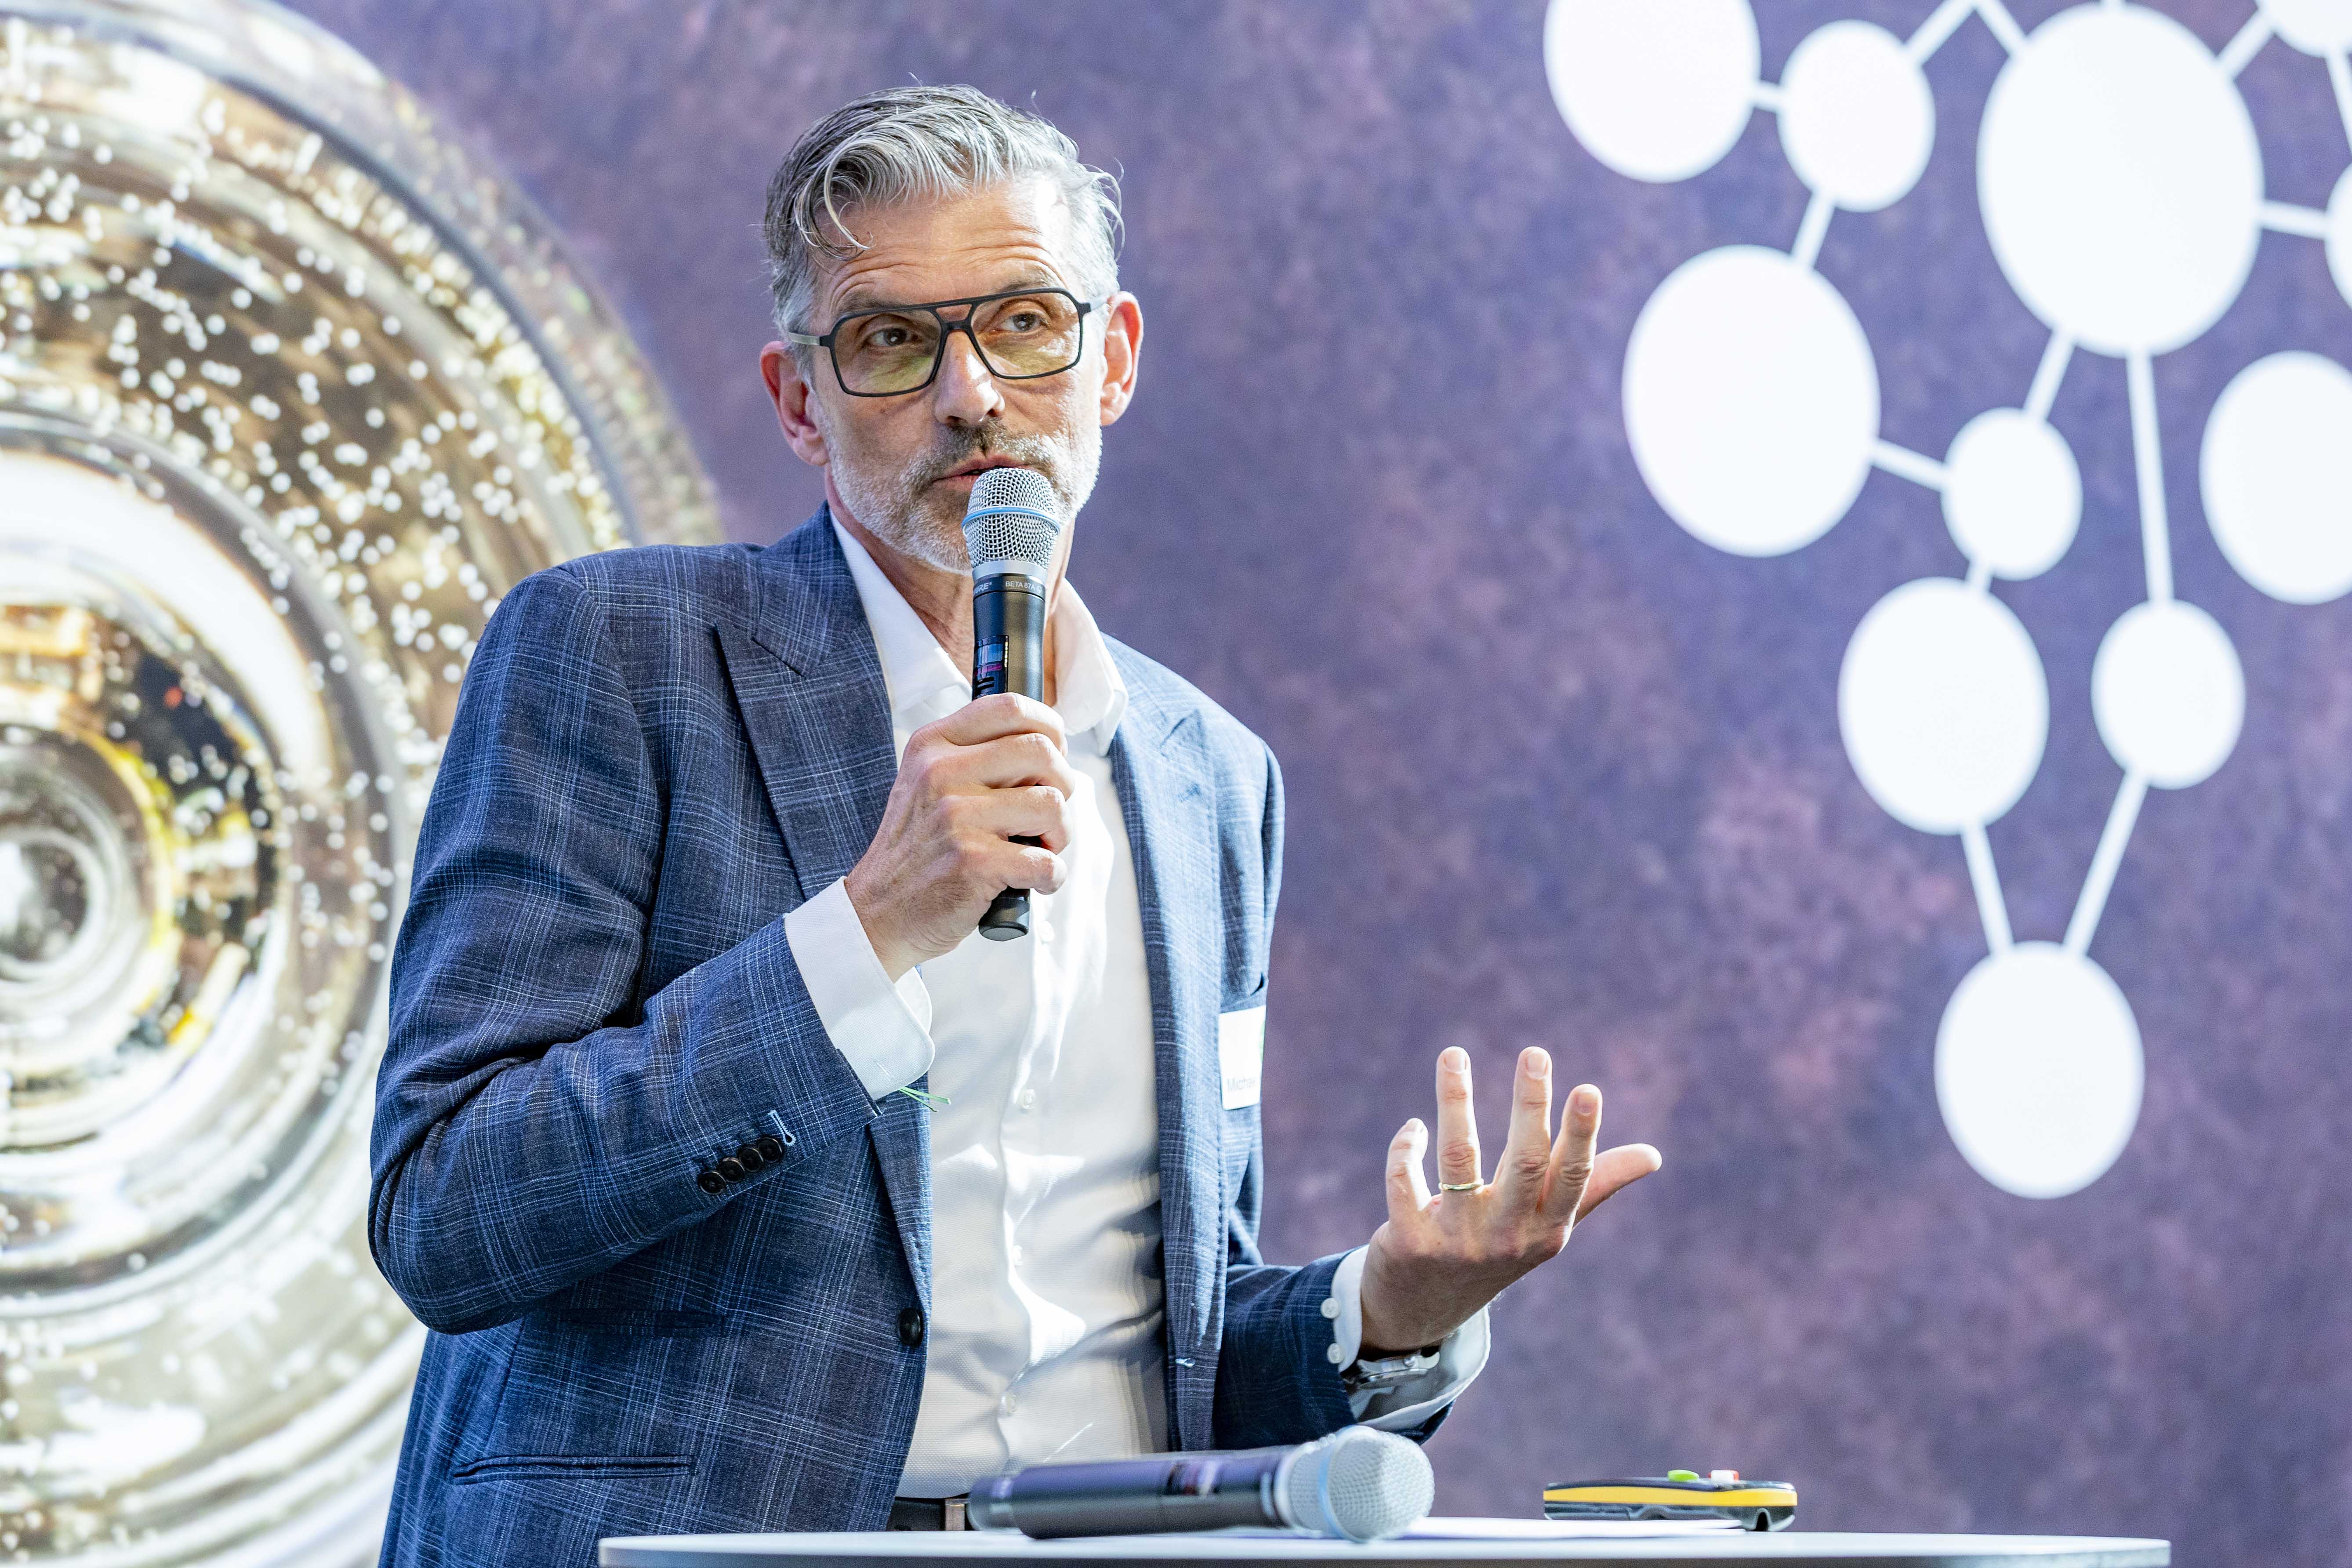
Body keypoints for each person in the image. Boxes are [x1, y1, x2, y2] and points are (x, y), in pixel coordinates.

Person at [367, 84, 1661, 1565]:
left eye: (1028, 324)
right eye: (890, 340)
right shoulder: (619, 652)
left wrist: (1390, 1311)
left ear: (1112, 360)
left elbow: (1173, 1339)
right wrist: (864, 932)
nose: (972, 394)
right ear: (800, 403)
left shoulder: (1211, 777)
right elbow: (447, 1211)